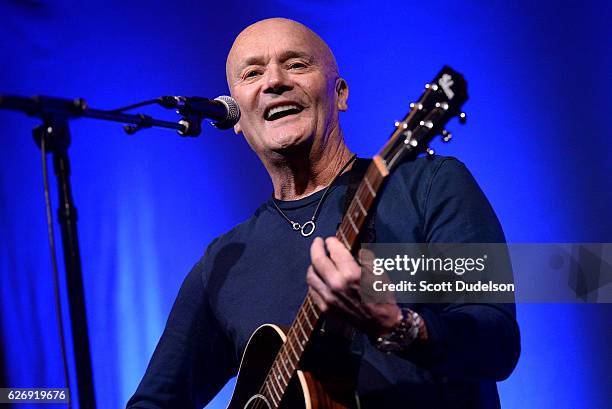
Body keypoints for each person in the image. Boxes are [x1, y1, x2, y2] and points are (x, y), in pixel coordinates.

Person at [127, 17, 520, 409]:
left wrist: (399, 326)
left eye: (296, 64)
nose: (274, 81)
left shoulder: (429, 187)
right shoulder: (226, 261)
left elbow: (497, 341)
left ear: (341, 94)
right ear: (235, 119)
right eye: (252, 73)